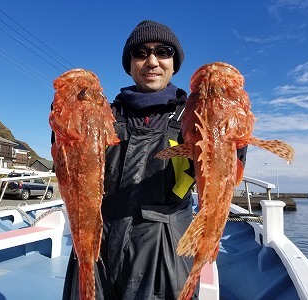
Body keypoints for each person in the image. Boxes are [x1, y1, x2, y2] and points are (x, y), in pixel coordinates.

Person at [61, 20, 199, 300]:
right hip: (96, 242)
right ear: (130, 63)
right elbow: (68, 171)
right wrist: (62, 131)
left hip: (164, 249)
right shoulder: (101, 114)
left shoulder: (193, 117)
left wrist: (232, 147)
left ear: (174, 63)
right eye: (140, 53)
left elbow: (219, 171)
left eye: (163, 51)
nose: (152, 61)